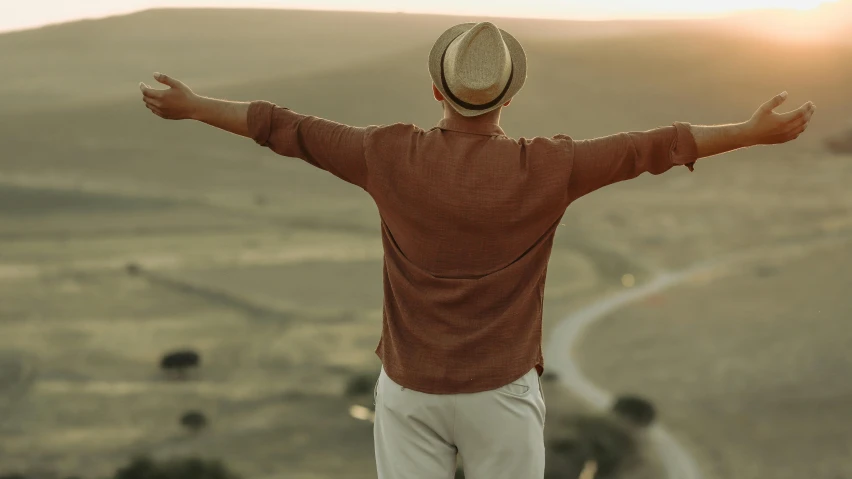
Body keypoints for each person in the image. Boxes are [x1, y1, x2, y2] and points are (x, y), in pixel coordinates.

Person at [139, 21, 815, 479]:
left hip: (407, 389)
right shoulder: (549, 167)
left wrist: (194, 104)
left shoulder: (387, 155)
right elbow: (655, 147)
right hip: (501, 395)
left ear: (436, 90)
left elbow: (282, 128)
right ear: (511, 94)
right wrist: (750, 133)